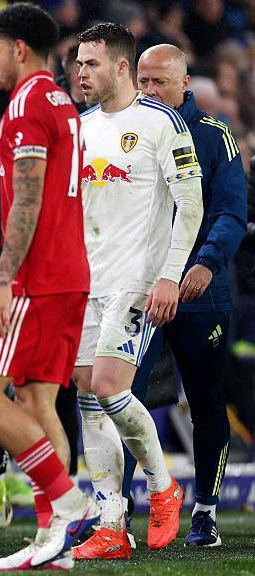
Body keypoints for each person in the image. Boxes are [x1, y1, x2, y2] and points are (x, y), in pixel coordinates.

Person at [0, 4, 101, 570]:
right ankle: (54, 544)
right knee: (39, 402)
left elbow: (27, 198)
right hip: (69, 275)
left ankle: (65, 503)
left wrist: (2, 282)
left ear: (20, 48)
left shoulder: (24, 105)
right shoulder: (61, 102)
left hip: (35, 281)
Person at [71, 23, 202, 559]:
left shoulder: (161, 123)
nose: (81, 73)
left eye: (92, 64)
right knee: (87, 393)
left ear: (121, 67)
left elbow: (189, 204)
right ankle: (110, 523)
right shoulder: (79, 128)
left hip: (136, 280)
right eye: (78, 63)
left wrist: (169, 275)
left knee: (108, 385)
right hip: (86, 281)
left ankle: (162, 483)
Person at [126, 43, 245, 548]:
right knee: (121, 398)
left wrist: (205, 262)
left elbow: (231, 210)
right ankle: (116, 510)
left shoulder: (215, 136)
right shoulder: (124, 132)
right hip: (141, 288)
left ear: (184, 82)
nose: (149, 91)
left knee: (205, 401)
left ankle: (206, 510)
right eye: (143, 82)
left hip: (201, 290)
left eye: (159, 82)